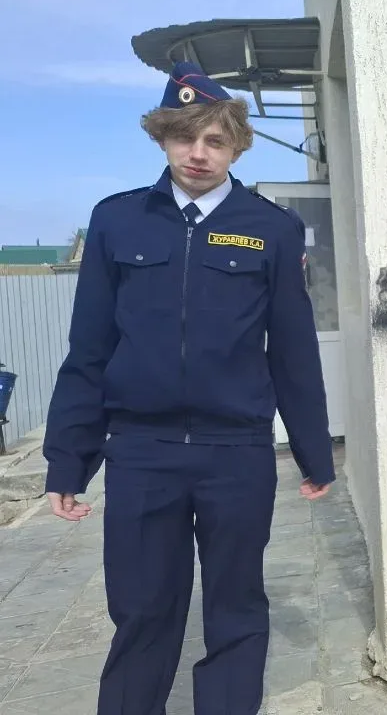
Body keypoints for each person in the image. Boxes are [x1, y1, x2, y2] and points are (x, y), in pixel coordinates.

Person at [41, 62, 335, 714]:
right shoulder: (118, 221)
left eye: (214, 140)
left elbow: (293, 351)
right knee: (142, 611)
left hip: (236, 454)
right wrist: (68, 459)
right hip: (141, 452)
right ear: (163, 138)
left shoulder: (272, 227)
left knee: (236, 609)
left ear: (236, 147)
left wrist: (313, 451)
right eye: (184, 137)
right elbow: (89, 351)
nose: (198, 153)